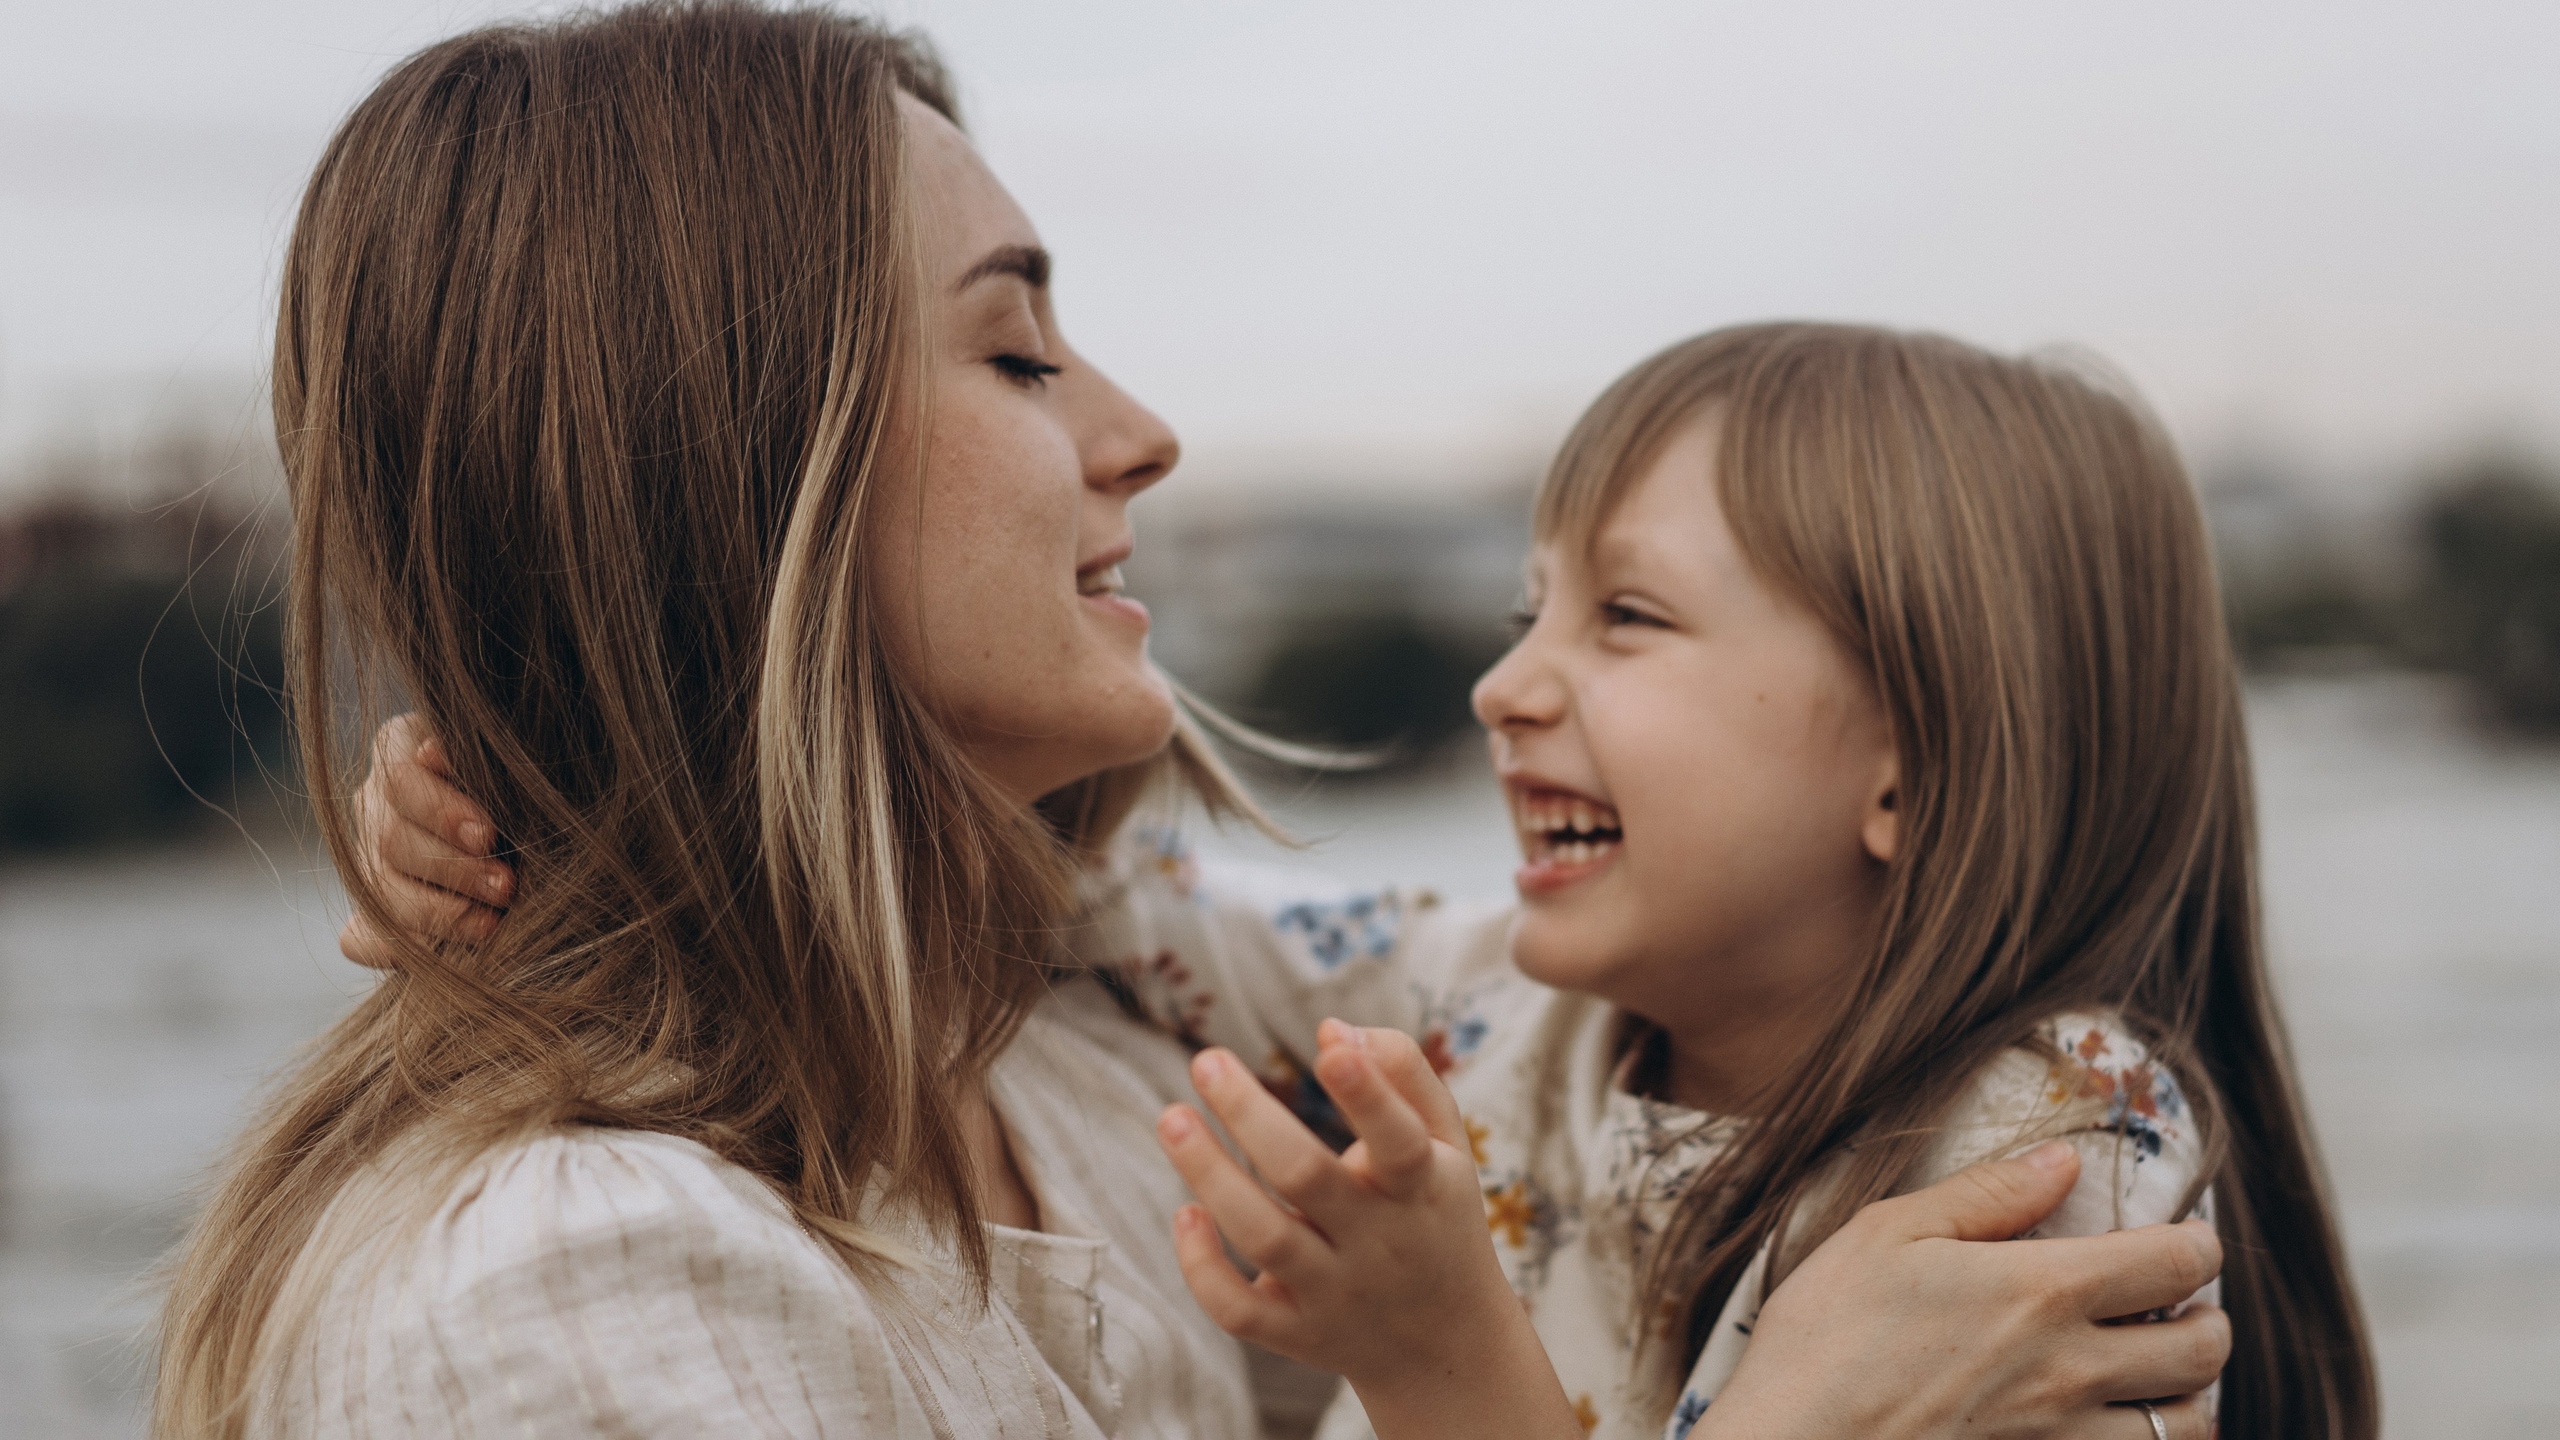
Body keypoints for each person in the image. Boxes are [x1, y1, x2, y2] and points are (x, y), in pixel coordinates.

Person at [291, 6, 2230, 1438]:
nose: (1144, 432)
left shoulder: (1082, 1073)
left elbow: (1100, 927)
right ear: (728, 477)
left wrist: (592, 817)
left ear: (1917, 762)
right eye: (1016, 351)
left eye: (1629, 618)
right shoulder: (565, 1283)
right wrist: (564, 817)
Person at [1073, 326, 2376, 1440]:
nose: (1502, 689)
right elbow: (1122, 906)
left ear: (1915, 770)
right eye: (1527, 618)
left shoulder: (2047, 1151)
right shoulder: (1490, 1002)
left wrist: (1441, 1363)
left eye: (1626, 617)